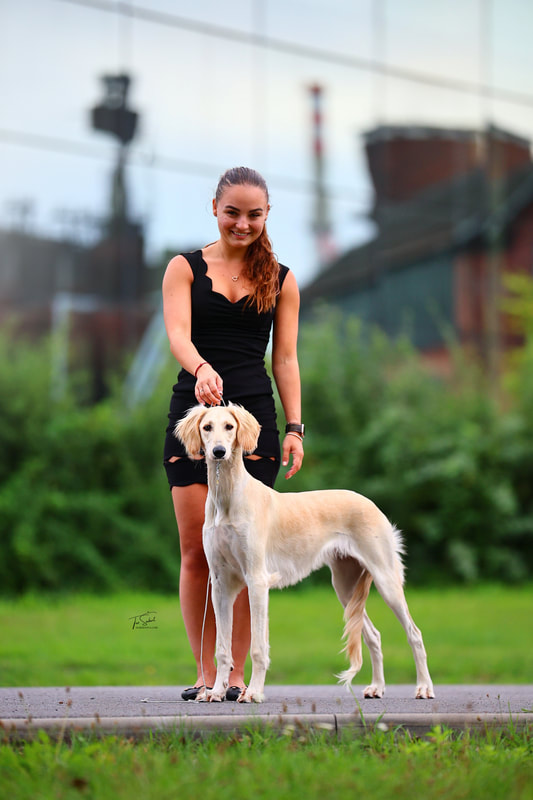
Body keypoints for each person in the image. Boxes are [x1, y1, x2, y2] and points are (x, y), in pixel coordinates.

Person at [162, 166, 304, 701]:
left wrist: (293, 427)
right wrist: (200, 369)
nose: (242, 223)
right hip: (194, 418)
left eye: (254, 215)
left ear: (266, 216)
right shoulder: (184, 268)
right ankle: (206, 670)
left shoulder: (282, 278)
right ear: (215, 209)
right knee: (197, 551)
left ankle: (237, 675)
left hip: (251, 428)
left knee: (248, 559)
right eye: (233, 212)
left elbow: (285, 358)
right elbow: (177, 334)